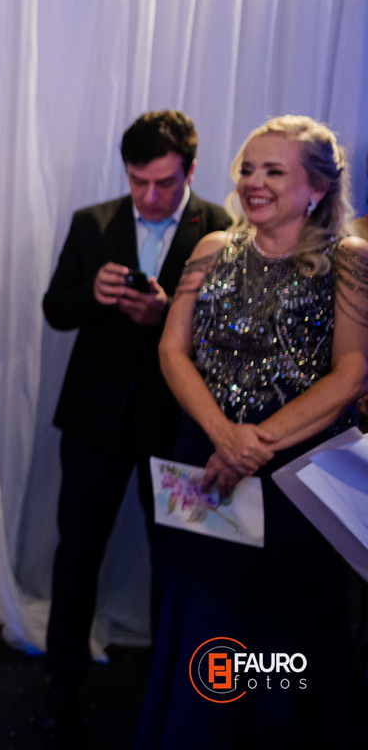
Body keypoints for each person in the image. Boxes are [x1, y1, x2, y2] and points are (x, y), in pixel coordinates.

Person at [135, 115, 368, 747]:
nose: (254, 182)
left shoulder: (349, 260)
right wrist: (224, 437)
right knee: (207, 620)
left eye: (274, 171)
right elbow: (172, 350)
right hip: (207, 461)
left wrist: (251, 445)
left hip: (299, 476)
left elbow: (351, 373)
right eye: (247, 168)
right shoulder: (212, 247)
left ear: (317, 187)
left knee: (286, 630)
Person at [40, 110, 231, 726]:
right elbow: (55, 309)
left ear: (190, 171)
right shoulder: (92, 222)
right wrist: (90, 295)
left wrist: (166, 319)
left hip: (177, 425)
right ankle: (61, 684)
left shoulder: (223, 228)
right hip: (93, 421)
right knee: (76, 555)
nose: (149, 195)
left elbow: (231, 339)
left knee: (177, 560)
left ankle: (173, 691)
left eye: (164, 183)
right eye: (137, 180)